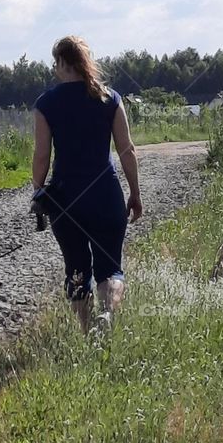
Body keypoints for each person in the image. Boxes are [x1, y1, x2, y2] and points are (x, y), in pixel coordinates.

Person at [32, 36, 143, 333]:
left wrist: (38, 191)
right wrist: (134, 192)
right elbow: (127, 150)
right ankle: (106, 316)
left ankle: (86, 333)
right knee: (111, 269)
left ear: (60, 64)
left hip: (65, 200)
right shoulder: (110, 98)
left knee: (77, 270)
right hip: (105, 195)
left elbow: (42, 155)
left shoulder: (46, 103)